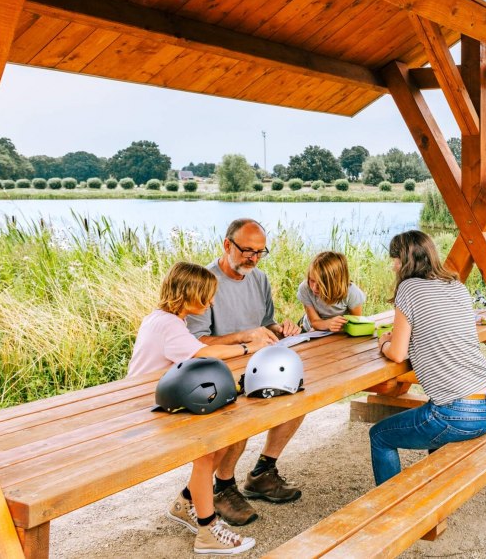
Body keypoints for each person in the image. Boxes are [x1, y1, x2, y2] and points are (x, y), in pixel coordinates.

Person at [127, 262, 267, 555]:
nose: (212, 301)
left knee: (223, 436)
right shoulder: (168, 325)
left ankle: (187, 501)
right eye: (206, 295)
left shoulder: (165, 319)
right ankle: (207, 530)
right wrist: (248, 348)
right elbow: (205, 354)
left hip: (157, 399)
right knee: (209, 448)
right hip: (149, 407)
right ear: (188, 293)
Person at [185, 219, 303, 526]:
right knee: (241, 422)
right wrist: (243, 337)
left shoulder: (259, 278)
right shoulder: (204, 281)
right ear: (227, 246)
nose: (253, 257)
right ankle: (223, 488)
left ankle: (263, 471)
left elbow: (266, 323)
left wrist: (283, 328)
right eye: (247, 250)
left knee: (299, 396)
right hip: (217, 370)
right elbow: (197, 342)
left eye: (260, 252)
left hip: (256, 364)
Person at [370, 230, 486, 484]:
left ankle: (391, 512)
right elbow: (438, 332)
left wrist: (383, 343)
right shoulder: (455, 285)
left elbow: (397, 353)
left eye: (394, 259)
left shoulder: (408, 288)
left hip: (461, 412)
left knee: (380, 435)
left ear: (405, 261)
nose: (392, 266)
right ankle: (433, 489)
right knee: (434, 425)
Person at [297, 251, 366, 332]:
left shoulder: (352, 293)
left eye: (321, 284)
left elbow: (355, 322)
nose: (314, 288)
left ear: (335, 283)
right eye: (312, 280)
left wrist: (334, 326)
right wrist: (328, 324)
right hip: (307, 329)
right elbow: (314, 322)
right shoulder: (305, 288)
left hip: (338, 332)